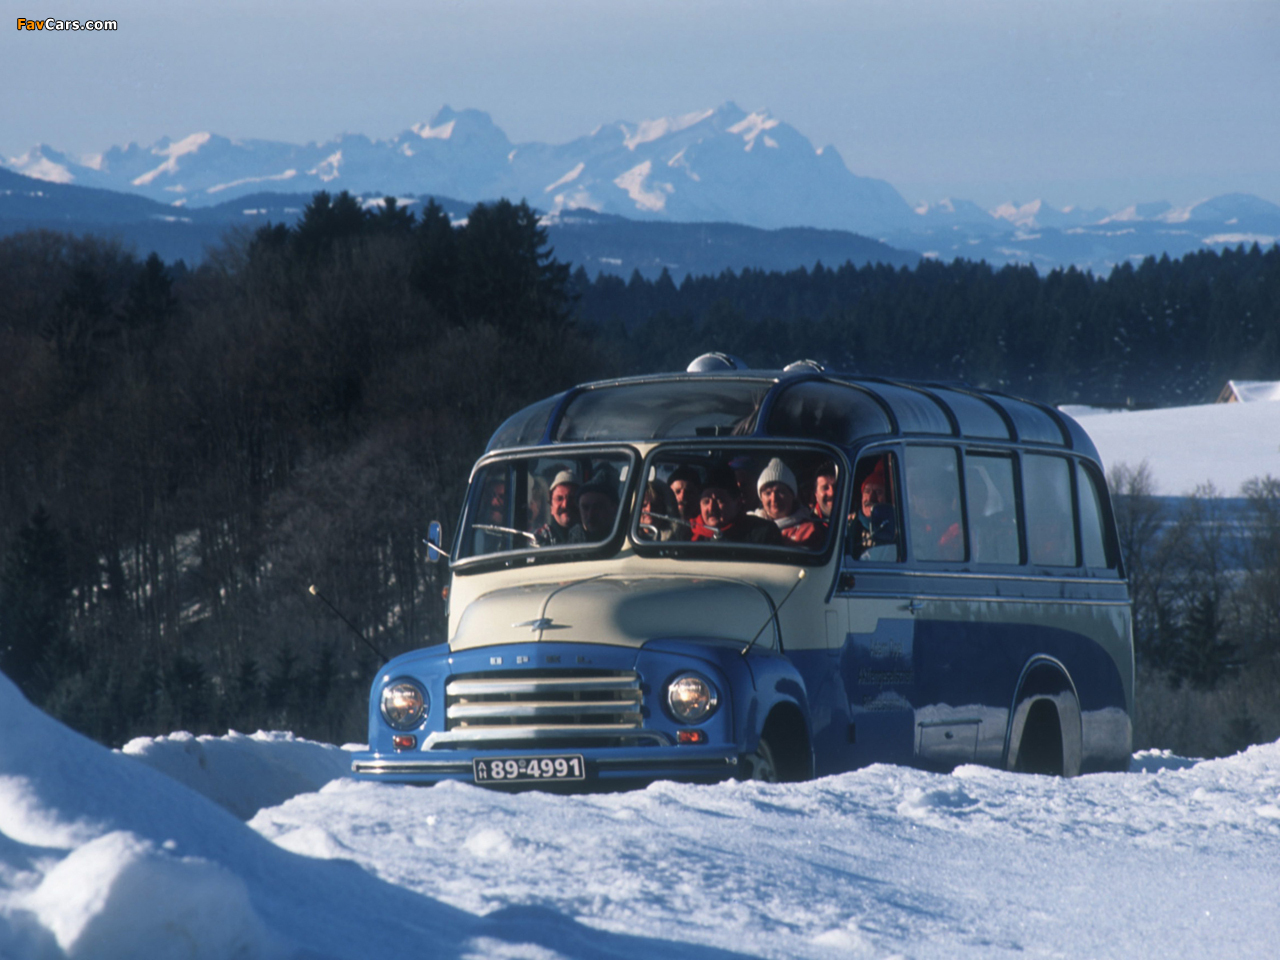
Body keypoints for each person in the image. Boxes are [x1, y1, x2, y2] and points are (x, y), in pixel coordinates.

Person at [690, 463, 784, 545]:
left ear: (737, 503)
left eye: (719, 501)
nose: (711, 508)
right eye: (706, 502)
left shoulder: (763, 533)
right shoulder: (690, 533)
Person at [750, 458, 822, 548]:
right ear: (761, 498)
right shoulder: (751, 524)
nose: (774, 499)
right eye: (768, 493)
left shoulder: (809, 530)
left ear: (792, 495)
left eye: (780, 492)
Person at [854, 457, 900, 560]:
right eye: (867, 491)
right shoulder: (849, 526)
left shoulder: (896, 529)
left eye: (878, 492)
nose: (871, 498)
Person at [534, 469, 579, 546]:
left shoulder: (591, 535)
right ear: (551, 505)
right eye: (559, 498)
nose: (565, 504)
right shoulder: (541, 537)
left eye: (571, 498)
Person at [570, 472, 619, 542]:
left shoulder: (623, 537)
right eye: (585, 507)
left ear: (614, 509)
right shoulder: (573, 540)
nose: (590, 514)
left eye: (598, 507)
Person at [812, 460, 839, 530]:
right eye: (825, 488)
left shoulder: (854, 523)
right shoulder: (809, 527)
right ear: (816, 494)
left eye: (835, 487)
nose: (831, 493)